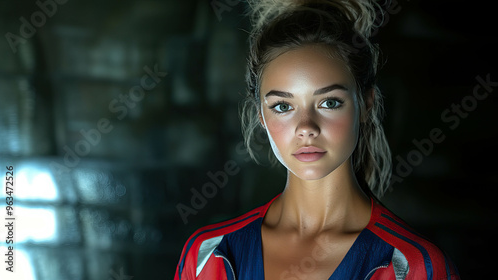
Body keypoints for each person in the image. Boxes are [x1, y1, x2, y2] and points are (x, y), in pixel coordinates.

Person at [174, 0, 460, 279]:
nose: (306, 127)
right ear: (261, 115)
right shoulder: (206, 257)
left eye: (329, 102)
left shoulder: (412, 267)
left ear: (366, 104)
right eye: (283, 106)